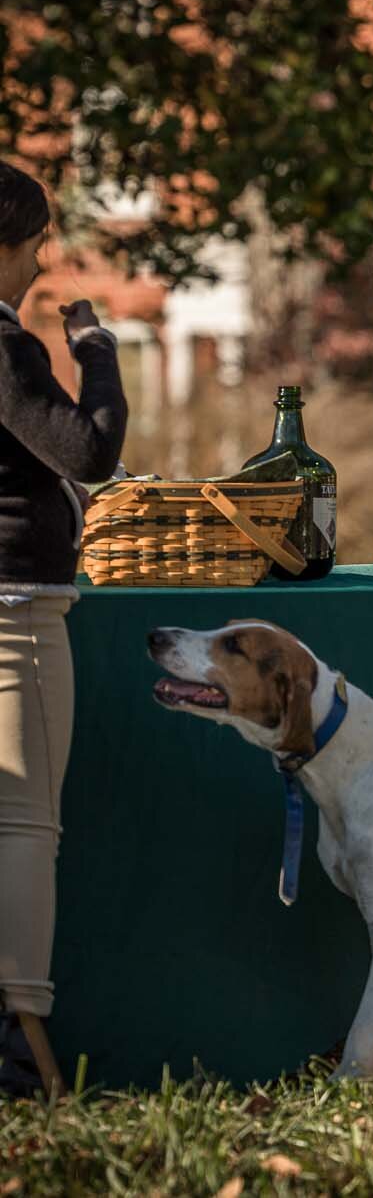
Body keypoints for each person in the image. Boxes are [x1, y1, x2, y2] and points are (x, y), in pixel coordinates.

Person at [0, 162, 128, 1097]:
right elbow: (88, 452)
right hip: (14, 614)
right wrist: (97, 348)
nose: (42, 262)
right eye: (36, 242)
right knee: (25, 827)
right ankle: (21, 1051)